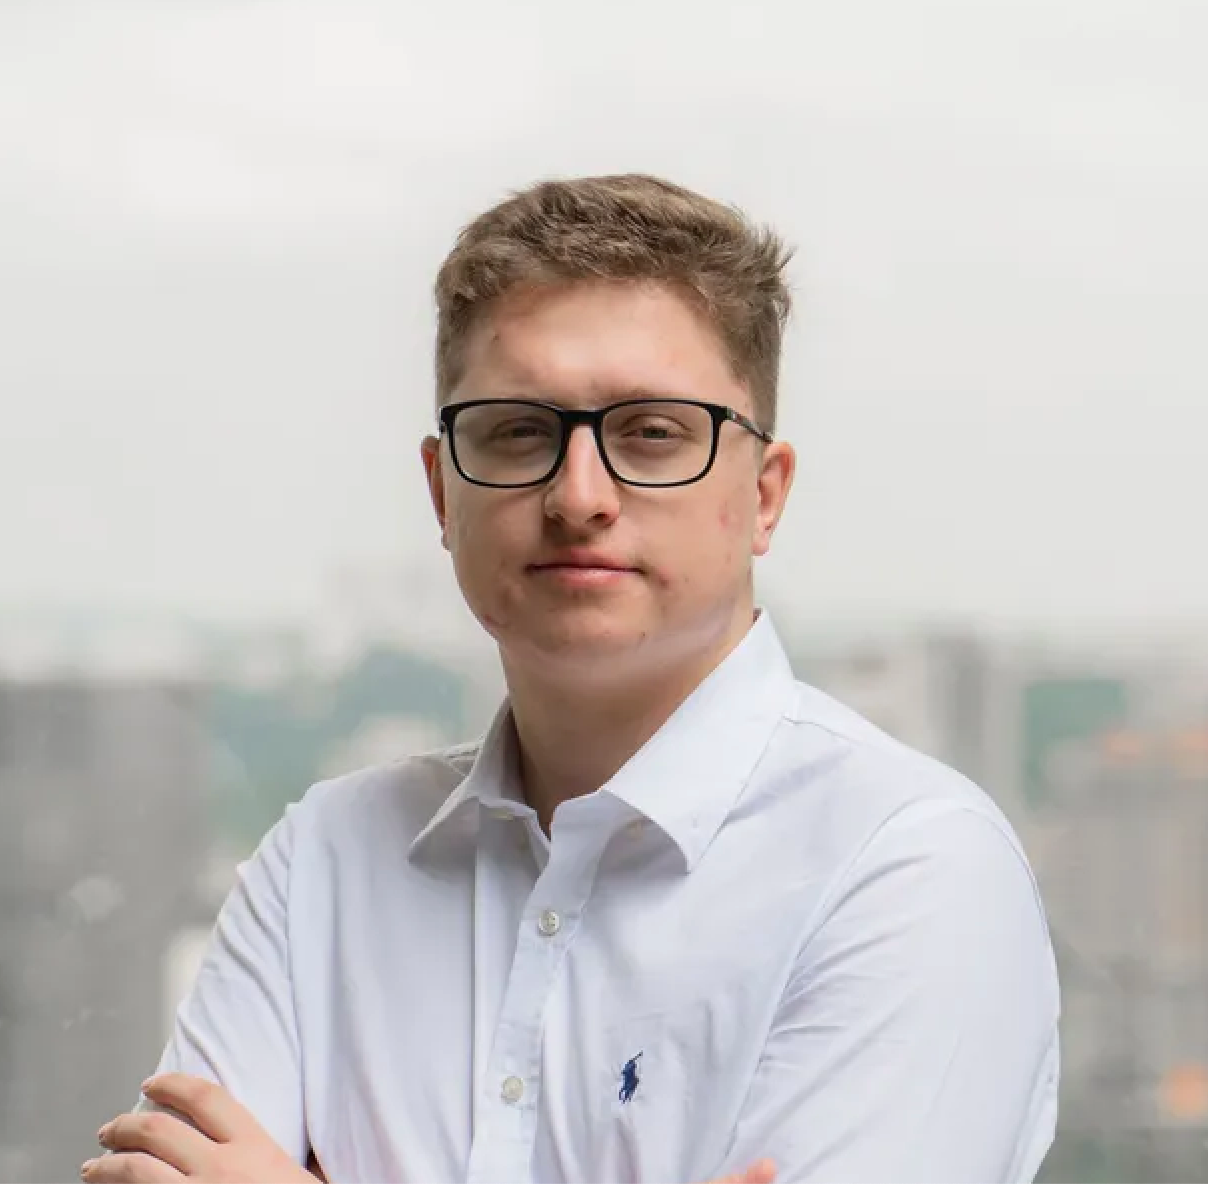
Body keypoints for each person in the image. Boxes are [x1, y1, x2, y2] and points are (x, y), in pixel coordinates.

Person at [85, 174, 1060, 1184]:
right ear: (442, 491)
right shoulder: (324, 861)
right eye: (517, 430)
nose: (578, 496)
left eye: (652, 433)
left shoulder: (907, 866)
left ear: (765, 495)